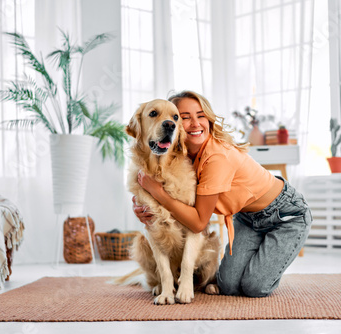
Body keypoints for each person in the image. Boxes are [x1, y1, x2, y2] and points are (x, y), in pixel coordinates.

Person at [133, 90, 312, 297]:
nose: (195, 123)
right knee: (228, 286)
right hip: (247, 219)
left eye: (201, 116)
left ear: (208, 119)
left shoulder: (217, 157)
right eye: (184, 118)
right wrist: (142, 205)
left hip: (286, 215)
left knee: (254, 287)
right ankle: (259, 258)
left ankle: (268, 259)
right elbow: (168, 191)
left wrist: (158, 193)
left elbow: (199, 223)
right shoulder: (182, 154)